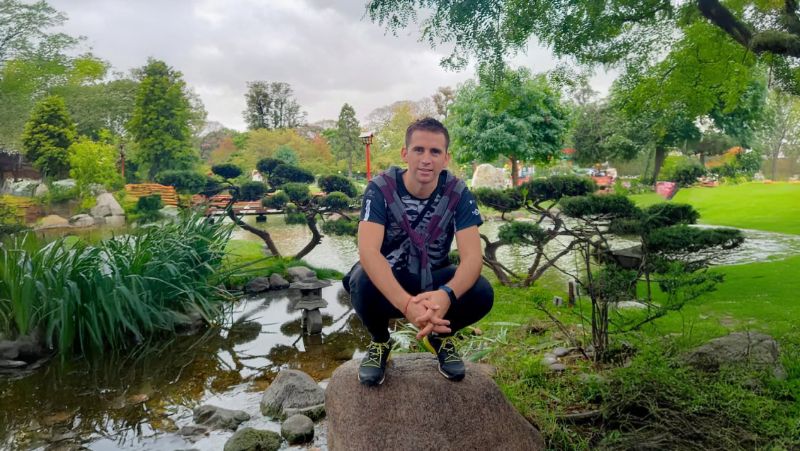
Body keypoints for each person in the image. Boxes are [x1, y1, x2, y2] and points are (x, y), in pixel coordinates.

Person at [345, 117, 493, 386]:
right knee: (361, 279)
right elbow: (368, 251)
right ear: (405, 154)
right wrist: (406, 304)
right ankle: (380, 341)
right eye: (418, 150)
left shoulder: (458, 193)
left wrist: (447, 294)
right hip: (392, 278)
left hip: (434, 279)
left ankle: (440, 336)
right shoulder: (380, 189)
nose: (426, 159)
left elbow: (472, 257)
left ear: (446, 158)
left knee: (481, 291)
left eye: (435, 152)